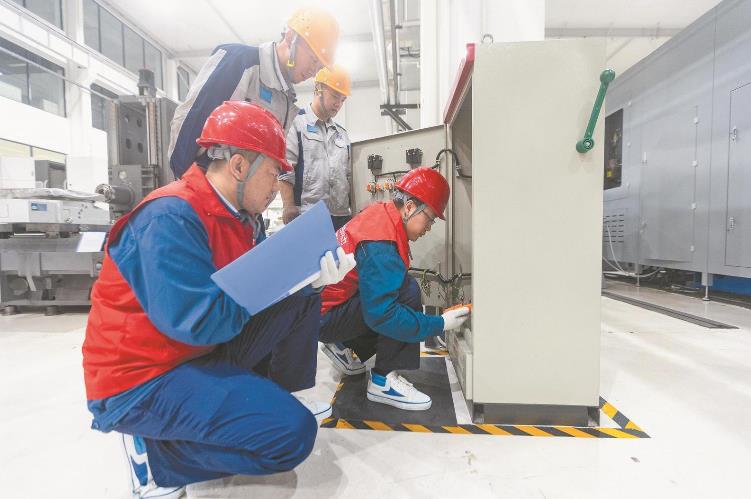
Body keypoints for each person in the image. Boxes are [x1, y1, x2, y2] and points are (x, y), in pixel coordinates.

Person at [82, 101, 355, 499]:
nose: (277, 186)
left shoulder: (240, 217)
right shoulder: (170, 217)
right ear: (239, 166)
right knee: (292, 436)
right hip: (142, 379)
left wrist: (307, 281)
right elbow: (197, 322)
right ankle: (156, 459)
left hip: (194, 353)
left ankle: (272, 396)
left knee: (303, 298)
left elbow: (239, 303)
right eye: (273, 172)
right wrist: (278, 276)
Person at [318, 167, 471, 410]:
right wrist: (440, 323)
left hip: (321, 310)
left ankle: (342, 344)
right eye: (430, 218)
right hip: (323, 320)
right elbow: (383, 315)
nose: (429, 227)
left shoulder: (380, 212)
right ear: (409, 207)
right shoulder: (380, 243)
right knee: (406, 293)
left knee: (394, 287)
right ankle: (382, 381)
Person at [168, 6, 339, 180]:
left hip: (245, 195)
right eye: (313, 60)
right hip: (209, 190)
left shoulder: (286, 101)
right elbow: (188, 125)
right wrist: (190, 186)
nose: (313, 72)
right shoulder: (239, 62)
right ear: (290, 38)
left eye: (319, 68)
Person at [279, 65, 353, 231]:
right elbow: (285, 168)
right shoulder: (296, 123)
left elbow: (349, 175)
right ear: (318, 88)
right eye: (335, 96)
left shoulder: (342, 134)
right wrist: (288, 205)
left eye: (343, 100)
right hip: (307, 215)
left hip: (341, 217)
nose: (338, 104)